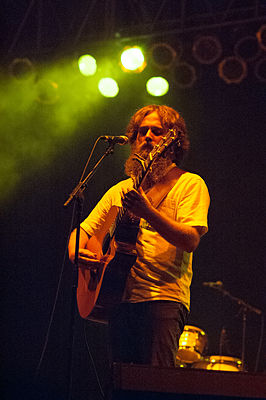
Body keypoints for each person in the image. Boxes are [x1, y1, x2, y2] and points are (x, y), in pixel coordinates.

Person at [68, 104, 210, 367]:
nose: (147, 137)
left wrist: (147, 211)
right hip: (118, 300)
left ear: (172, 142)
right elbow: (84, 231)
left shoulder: (189, 184)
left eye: (156, 131)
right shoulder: (121, 190)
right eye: (141, 132)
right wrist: (77, 252)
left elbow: (191, 240)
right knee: (120, 386)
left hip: (163, 301)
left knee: (154, 387)